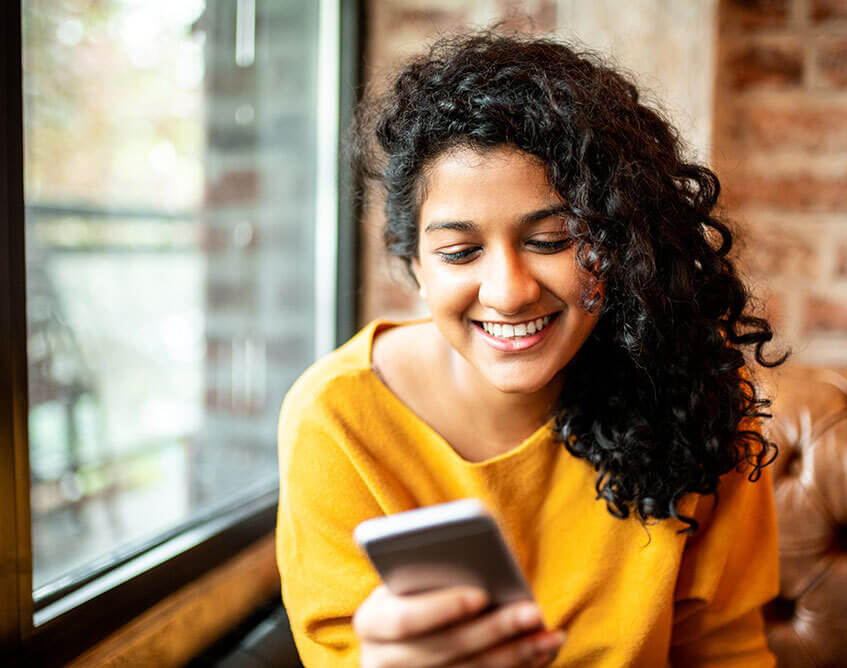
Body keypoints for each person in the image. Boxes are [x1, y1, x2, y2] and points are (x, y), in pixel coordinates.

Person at [276, 30, 787, 668]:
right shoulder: (338, 419)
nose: (509, 293)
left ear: (623, 241)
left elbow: (724, 651)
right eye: (460, 252)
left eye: (551, 240)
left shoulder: (693, 391)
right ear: (415, 265)